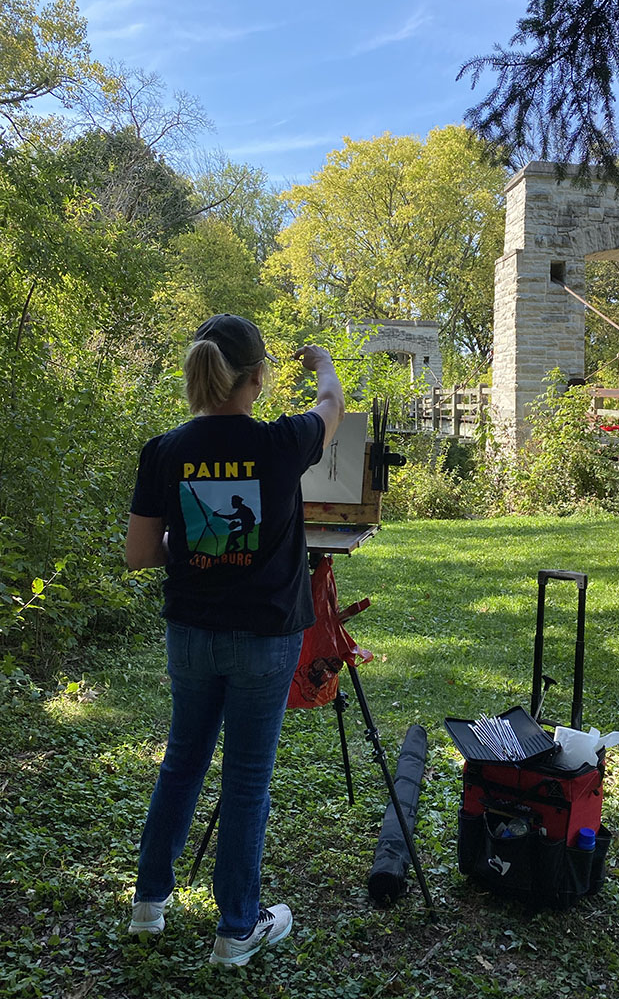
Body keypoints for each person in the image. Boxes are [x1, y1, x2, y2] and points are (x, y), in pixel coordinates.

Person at [124, 313, 344, 966]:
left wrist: (203, 541)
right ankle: (236, 930)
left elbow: (139, 552)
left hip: (190, 633)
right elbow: (331, 406)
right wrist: (324, 362)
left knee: (182, 762)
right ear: (256, 377)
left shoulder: (164, 449)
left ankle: (148, 904)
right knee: (247, 779)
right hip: (264, 639)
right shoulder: (282, 443)